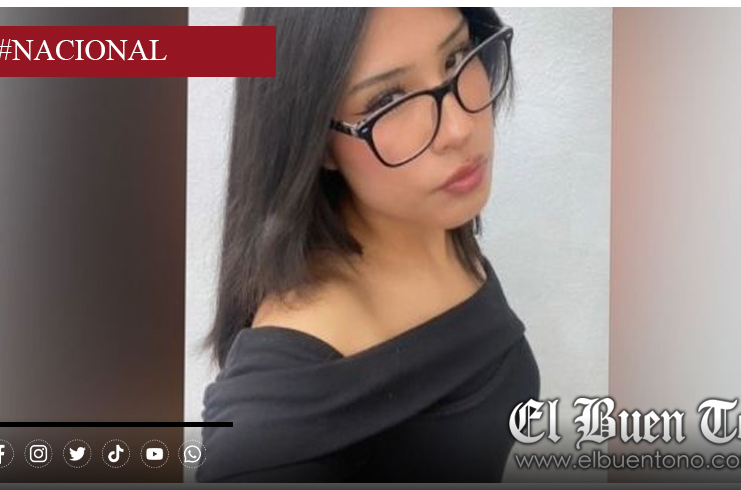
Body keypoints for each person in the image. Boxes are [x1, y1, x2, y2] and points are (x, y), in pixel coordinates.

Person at [198, 7, 540, 482]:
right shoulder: (294, 380)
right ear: (317, 141)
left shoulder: (432, 226)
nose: (459, 127)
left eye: (456, 56)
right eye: (388, 100)